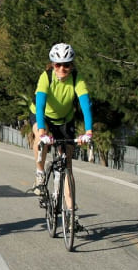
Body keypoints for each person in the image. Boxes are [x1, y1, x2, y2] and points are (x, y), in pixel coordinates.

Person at [30, 43, 93, 213]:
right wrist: (43, 131)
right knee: (39, 135)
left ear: (71, 65)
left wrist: (88, 131)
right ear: (52, 65)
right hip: (43, 116)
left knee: (67, 165)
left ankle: (71, 212)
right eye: (58, 65)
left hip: (65, 120)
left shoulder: (77, 78)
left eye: (66, 65)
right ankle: (40, 173)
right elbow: (41, 105)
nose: (62, 69)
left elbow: (85, 105)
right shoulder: (46, 77)